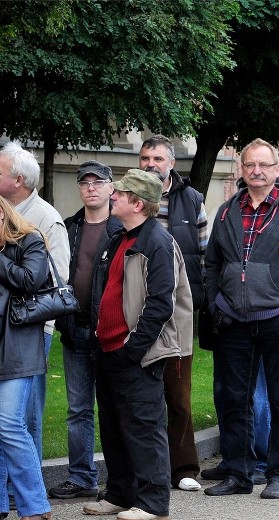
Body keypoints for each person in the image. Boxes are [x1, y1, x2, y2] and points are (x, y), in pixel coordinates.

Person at [203, 139, 279, 500]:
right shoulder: (226, 211)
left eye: (264, 165)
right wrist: (216, 302)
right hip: (234, 320)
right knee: (233, 398)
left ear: (276, 170)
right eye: (250, 164)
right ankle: (239, 473)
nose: (256, 171)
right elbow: (212, 264)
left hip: (278, 319)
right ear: (242, 168)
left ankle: (278, 473)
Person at [82, 169, 192, 520]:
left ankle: (153, 504)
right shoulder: (120, 237)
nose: (112, 195)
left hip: (136, 354)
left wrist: (133, 349)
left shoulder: (156, 242)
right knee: (114, 429)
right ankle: (120, 494)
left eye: (121, 192)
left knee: (144, 430)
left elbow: (161, 304)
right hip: (109, 350)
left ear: (138, 203)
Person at [50, 162, 123, 501]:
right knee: (78, 409)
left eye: (99, 182)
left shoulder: (123, 229)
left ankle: (122, 479)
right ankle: (82, 478)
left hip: (110, 334)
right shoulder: (68, 227)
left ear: (112, 189)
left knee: (115, 406)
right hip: (75, 330)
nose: (91, 187)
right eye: (85, 182)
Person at [138, 134, 206, 492]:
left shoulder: (192, 200)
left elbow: (205, 255)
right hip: (135, 308)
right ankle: (144, 470)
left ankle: (184, 469)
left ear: (171, 164)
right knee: (138, 395)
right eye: (145, 158)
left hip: (179, 311)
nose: (151, 164)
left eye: (157, 159)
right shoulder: (126, 198)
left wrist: (199, 301)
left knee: (178, 394)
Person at [0, 142, 70, 462]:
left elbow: (56, 281)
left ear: (18, 180)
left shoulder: (46, 219)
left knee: (25, 416)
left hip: (30, 329)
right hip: (4, 326)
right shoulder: (3, 213)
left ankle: (29, 488)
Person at [0, 196, 53, 520]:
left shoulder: (29, 240)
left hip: (18, 346)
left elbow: (32, 280)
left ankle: (35, 505)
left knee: (8, 424)